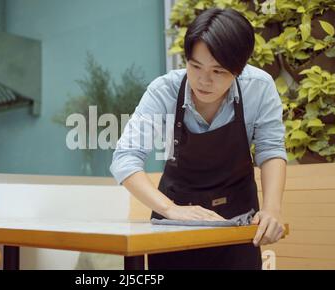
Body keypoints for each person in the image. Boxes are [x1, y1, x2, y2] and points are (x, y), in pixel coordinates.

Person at [110, 8, 287, 269]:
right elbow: (125, 159)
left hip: (238, 221)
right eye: (195, 66)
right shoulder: (164, 90)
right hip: (176, 224)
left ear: (239, 69)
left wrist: (272, 209)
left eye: (218, 71)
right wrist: (171, 210)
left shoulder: (259, 88)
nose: (204, 81)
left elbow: (270, 150)